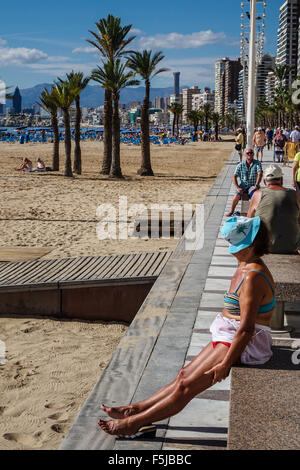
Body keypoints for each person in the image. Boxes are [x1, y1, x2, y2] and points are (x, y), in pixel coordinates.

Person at [98, 217, 274, 437]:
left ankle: (134, 423)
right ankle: (135, 409)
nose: (232, 252)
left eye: (237, 247)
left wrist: (226, 364)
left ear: (252, 245)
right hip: (230, 333)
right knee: (183, 375)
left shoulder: (253, 277)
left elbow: (247, 329)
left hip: (246, 342)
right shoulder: (245, 265)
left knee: (186, 387)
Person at [247, 165, 300, 254]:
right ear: (281, 180)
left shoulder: (257, 194)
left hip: (265, 247)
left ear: (264, 182)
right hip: (292, 246)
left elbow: (249, 220)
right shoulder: (294, 194)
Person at [225, 148, 263, 217]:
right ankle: (231, 211)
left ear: (253, 154)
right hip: (243, 185)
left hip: (253, 185)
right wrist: (237, 187)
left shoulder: (257, 163)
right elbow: (234, 176)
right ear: (245, 155)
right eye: (248, 153)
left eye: (251, 153)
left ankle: (251, 212)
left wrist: (256, 186)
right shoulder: (241, 165)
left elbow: (260, 173)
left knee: (254, 197)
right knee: (236, 195)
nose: (249, 154)